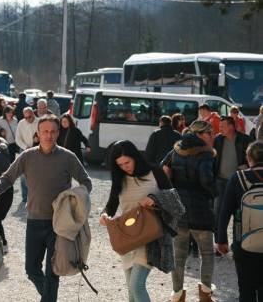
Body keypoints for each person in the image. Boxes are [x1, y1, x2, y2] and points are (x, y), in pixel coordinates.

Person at [0, 114, 92, 302]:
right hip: (34, 221)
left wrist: (74, 200)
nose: (49, 135)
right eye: (45, 131)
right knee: (31, 269)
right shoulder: (27, 156)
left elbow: (86, 182)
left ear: (58, 133)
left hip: (59, 224)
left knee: (53, 271)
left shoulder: (68, 157)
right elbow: (7, 177)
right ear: (38, 133)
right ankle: (48, 297)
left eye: (53, 131)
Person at [100, 140, 183, 302]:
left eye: (127, 162)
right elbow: (111, 204)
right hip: (128, 238)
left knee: (136, 286)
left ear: (135, 157)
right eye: (120, 164)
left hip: (151, 238)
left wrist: (154, 199)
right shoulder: (120, 178)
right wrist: (104, 215)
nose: (125, 167)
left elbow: (176, 201)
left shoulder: (155, 172)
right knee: (131, 293)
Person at [161, 120, 217, 302]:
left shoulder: (176, 149)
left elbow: (162, 168)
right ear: (199, 134)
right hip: (200, 210)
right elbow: (206, 181)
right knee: (207, 253)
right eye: (209, 133)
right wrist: (217, 193)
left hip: (179, 209)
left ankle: (178, 295)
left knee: (179, 256)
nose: (212, 136)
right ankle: (205, 294)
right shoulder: (205, 153)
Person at [216, 141, 263, 301]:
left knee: (246, 289)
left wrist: (221, 240)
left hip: (243, 243)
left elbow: (224, 211)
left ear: (248, 158)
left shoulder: (238, 178)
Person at [213, 116, 251, 237]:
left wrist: (247, 166)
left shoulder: (245, 139)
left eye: (222, 126)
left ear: (231, 126)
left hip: (238, 181)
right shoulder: (218, 139)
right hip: (220, 181)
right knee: (218, 212)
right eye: (220, 126)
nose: (220, 128)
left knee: (238, 213)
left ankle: (237, 242)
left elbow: (255, 157)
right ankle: (219, 241)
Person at [15, 107, 39, 203]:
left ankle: (36, 195)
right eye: (26, 117)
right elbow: (18, 139)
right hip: (24, 150)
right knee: (23, 174)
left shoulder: (40, 121)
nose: (28, 119)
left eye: (29, 116)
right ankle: (25, 197)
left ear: (33, 114)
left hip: (38, 150)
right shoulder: (21, 123)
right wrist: (25, 147)